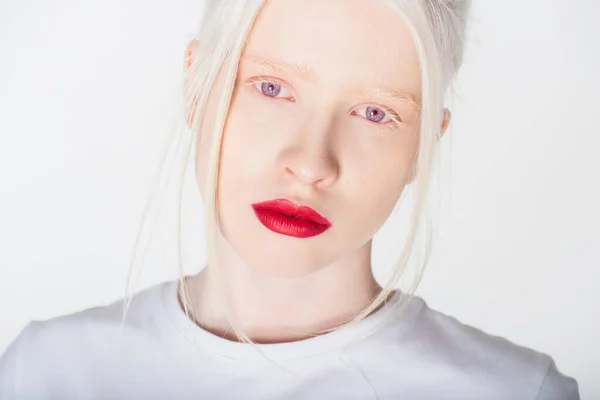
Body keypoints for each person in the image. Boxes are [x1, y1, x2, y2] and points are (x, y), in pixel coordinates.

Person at [0, 0, 580, 398]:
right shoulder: (45, 374)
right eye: (272, 88)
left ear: (426, 143)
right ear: (196, 86)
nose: (309, 164)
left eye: (375, 112)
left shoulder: (514, 391)